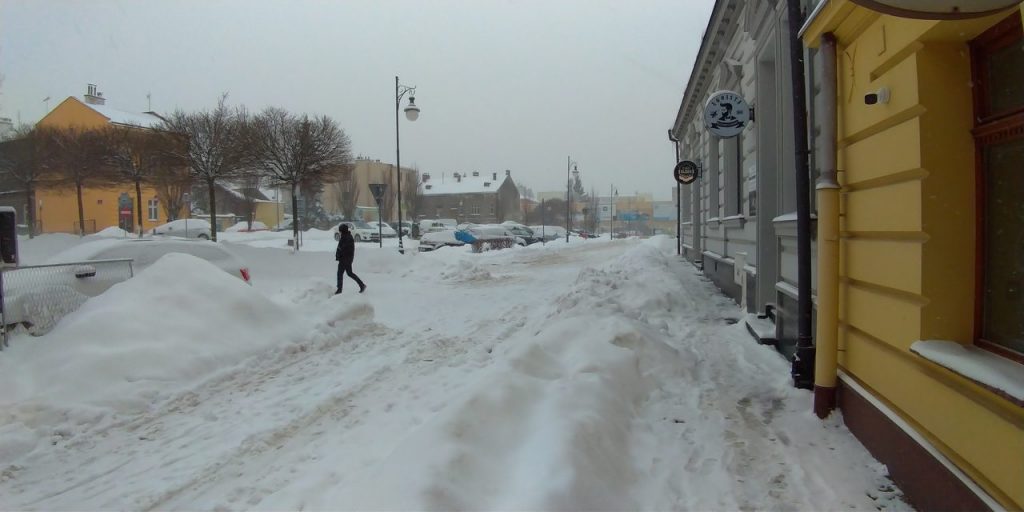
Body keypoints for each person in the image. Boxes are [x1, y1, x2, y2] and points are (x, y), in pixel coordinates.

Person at [335, 223, 366, 294]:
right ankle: (362, 285)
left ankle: (339, 290)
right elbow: (341, 248)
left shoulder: (346, 238)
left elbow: (343, 249)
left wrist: (340, 255)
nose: (339, 232)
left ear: (343, 231)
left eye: (340, 231)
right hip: (346, 259)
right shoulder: (346, 236)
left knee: (340, 274)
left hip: (345, 259)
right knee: (349, 273)